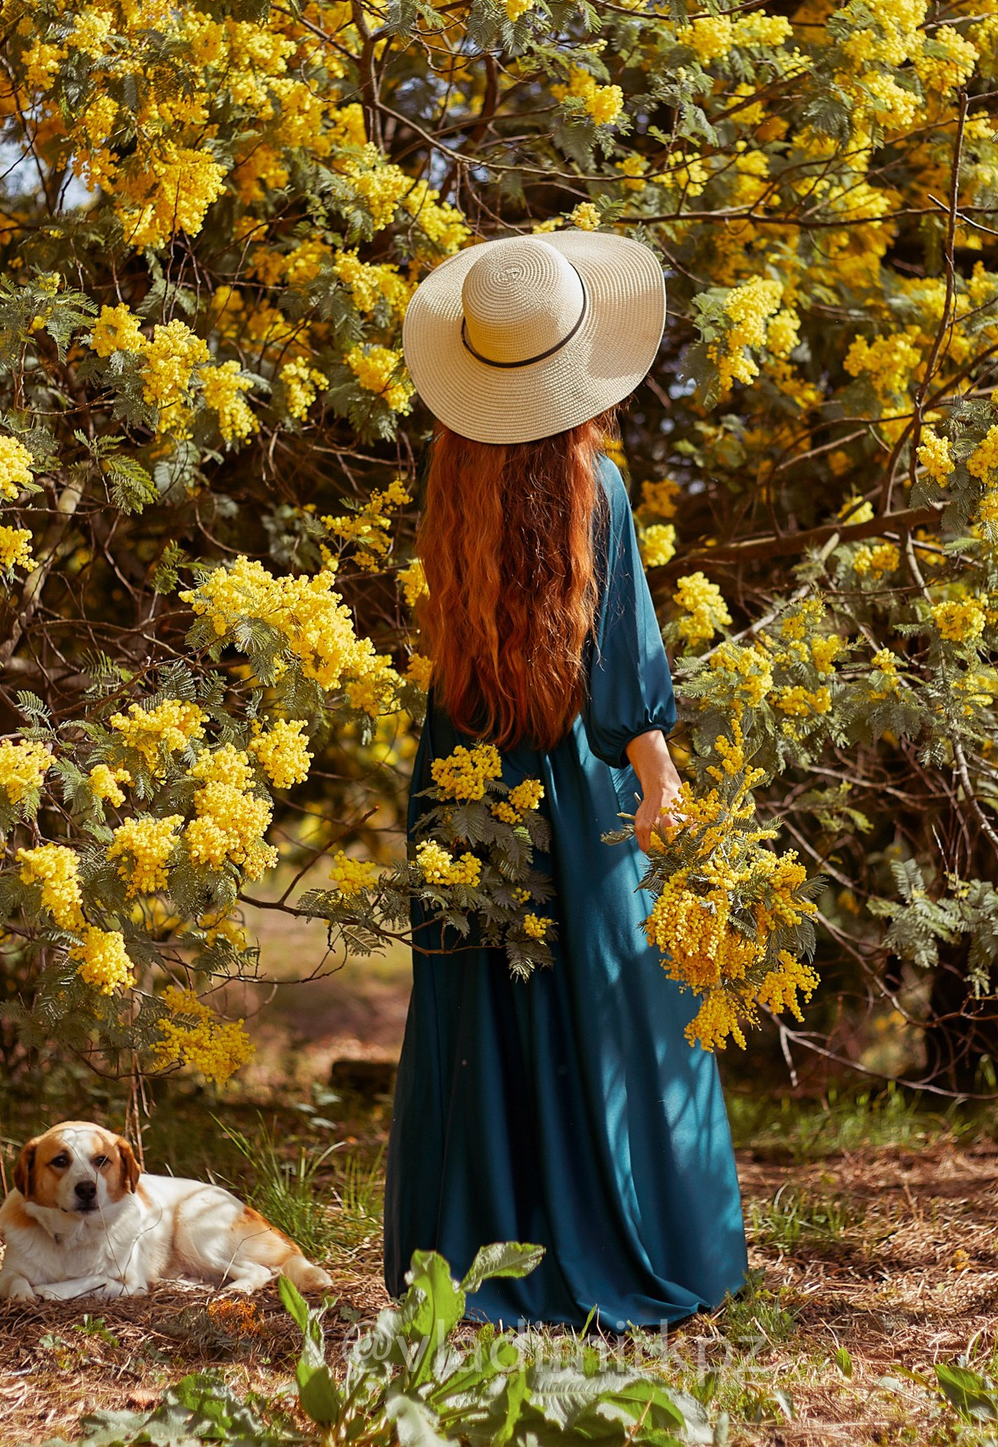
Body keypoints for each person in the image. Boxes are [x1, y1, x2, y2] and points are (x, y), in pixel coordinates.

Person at [380, 229, 749, 1328]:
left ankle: (476, 1260)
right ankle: (610, 1242)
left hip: (460, 781)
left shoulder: (450, 482)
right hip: (571, 783)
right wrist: (661, 780)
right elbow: (618, 667)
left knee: (480, 1018)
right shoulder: (599, 487)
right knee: (606, 1012)